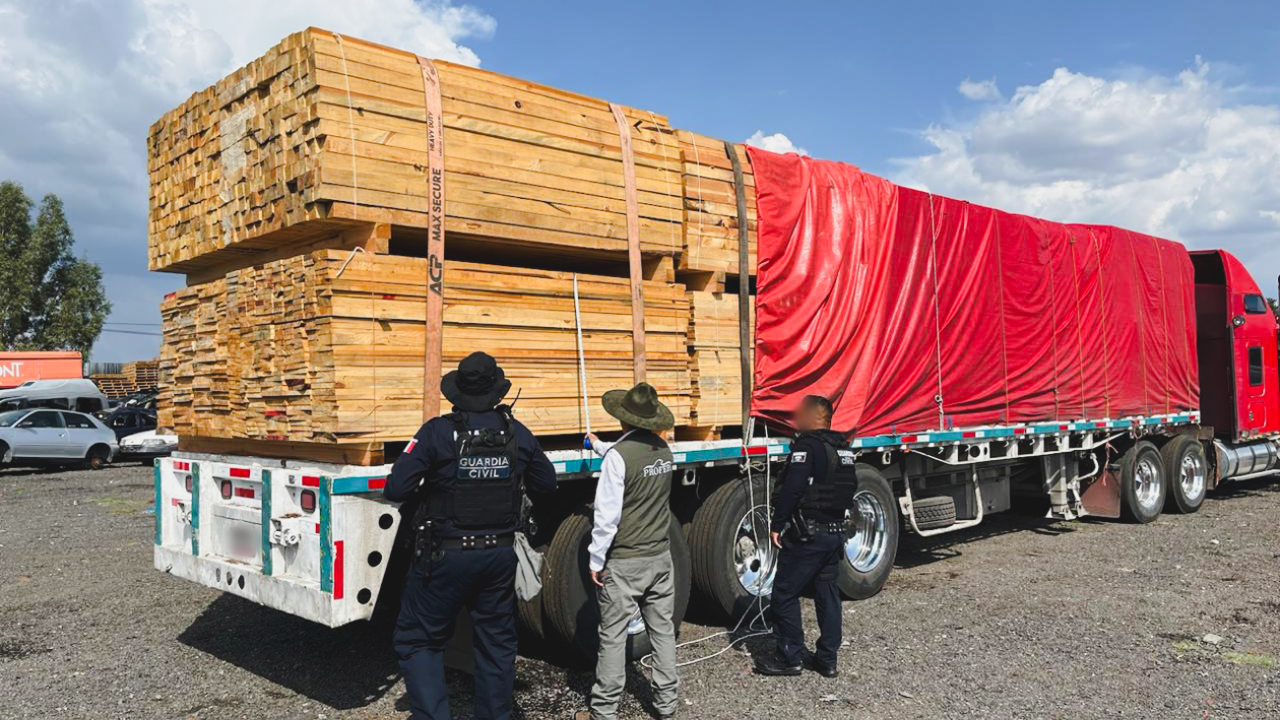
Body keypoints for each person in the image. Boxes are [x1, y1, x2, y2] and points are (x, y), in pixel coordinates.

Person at [384, 351, 556, 720]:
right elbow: (547, 483)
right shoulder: (517, 433)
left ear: (457, 392)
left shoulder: (437, 432)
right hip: (498, 556)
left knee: (418, 639)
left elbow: (396, 488)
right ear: (497, 392)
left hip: (444, 557)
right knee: (496, 645)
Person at [574, 382, 680, 720]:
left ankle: (604, 710)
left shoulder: (619, 460)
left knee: (613, 637)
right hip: (661, 558)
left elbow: (607, 517)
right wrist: (599, 446)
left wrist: (595, 558)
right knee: (662, 631)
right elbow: (630, 459)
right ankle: (666, 704)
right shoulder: (664, 452)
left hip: (625, 561)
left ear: (623, 419)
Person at [754, 395, 858, 679]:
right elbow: (851, 488)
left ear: (812, 418)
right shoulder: (843, 448)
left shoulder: (807, 447)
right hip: (835, 534)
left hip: (808, 535)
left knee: (785, 593)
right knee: (827, 593)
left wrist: (778, 523)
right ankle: (827, 659)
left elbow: (793, 488)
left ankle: (790, 656)